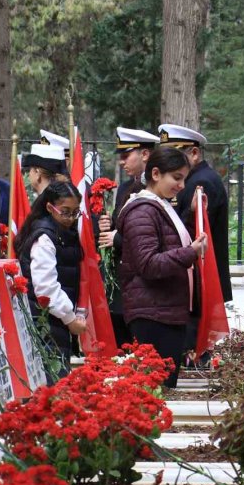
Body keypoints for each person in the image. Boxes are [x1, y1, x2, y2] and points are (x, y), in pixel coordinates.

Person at [115, 147, 207, 388]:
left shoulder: (159, 205)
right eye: (176, 177)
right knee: (156, 390)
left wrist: (191, 214)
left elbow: (168, 240)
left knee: (162, 389)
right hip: (153, 315)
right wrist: (191, 253)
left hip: (163, 310)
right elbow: (149, 264)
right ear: (156, 173)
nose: (182, 185)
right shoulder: (142, 211)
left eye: (184, 178)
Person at [15, 180, 87, 381]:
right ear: (50, 207)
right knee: (51, 383)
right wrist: (70, 319)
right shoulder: (45, 237)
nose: (71, 218)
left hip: (55, 320)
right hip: (45, 321)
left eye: (75, 212)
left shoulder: (64, 232)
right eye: (65, 211)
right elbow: (46, 287)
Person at [97, 127, 159, 346]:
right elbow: (122, 225)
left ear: (145, 154)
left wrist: (118, 239)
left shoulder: (156, 187)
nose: (122, 162)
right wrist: (108, 225)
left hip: (141, 280)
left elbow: (152, 236)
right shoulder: (125, 187)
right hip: (121, 280)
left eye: (126, 156)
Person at [163, 123, 233, 303]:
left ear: (194, 153)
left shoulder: (201, 183)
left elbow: (195, 235)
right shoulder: (192, 179)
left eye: (174, 156)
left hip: (199, 280)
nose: (167, 163)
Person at [23, 131, 69, 197]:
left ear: (37, 172)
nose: (28, 174)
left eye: (30, 170)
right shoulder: (59, 198)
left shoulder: (43, 203)